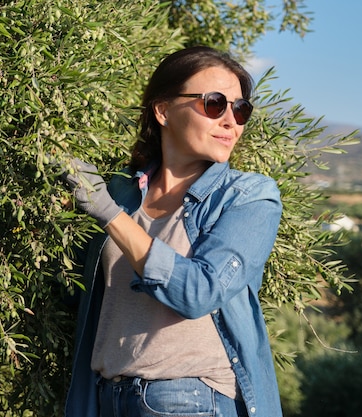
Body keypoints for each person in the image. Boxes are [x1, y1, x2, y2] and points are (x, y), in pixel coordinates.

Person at [63, 46, 283, 417]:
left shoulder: (249, 197)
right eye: (215, 104)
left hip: (186, 399)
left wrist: (106, 213)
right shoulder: (119, 190)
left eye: (240, 109)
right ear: (163, 110)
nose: (231, 120)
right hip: (106, 398)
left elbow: (198, 292)